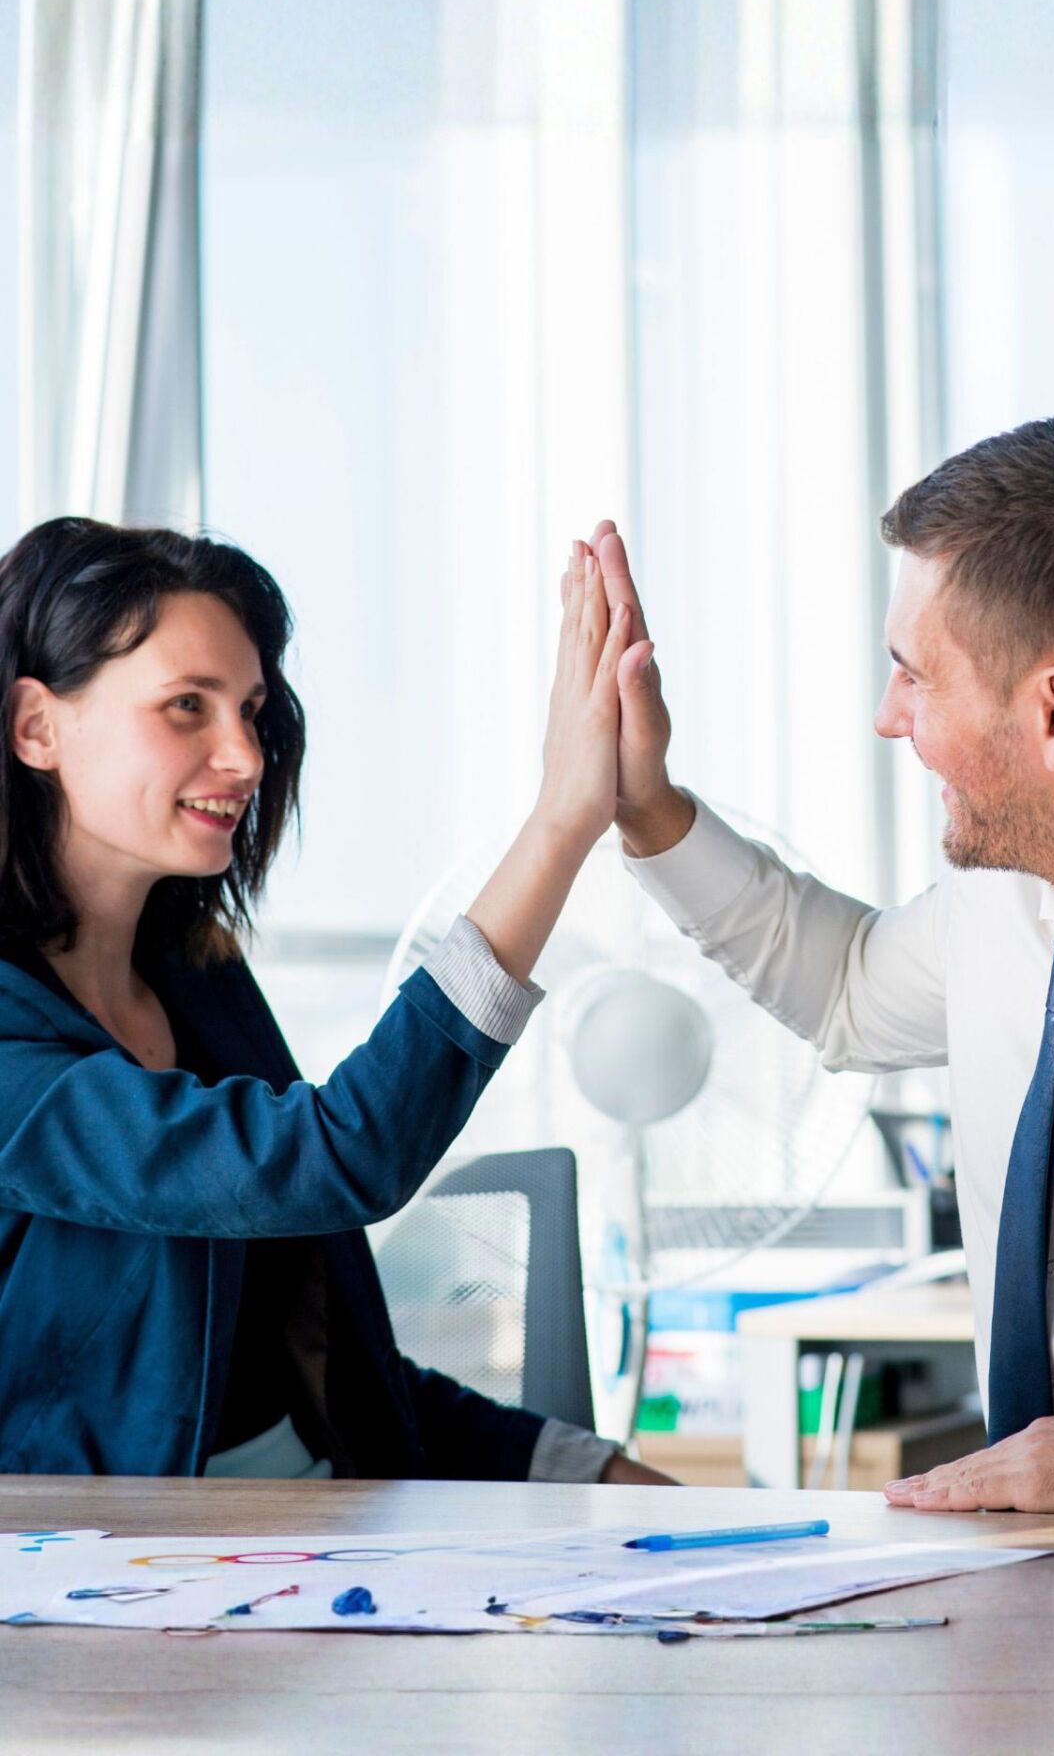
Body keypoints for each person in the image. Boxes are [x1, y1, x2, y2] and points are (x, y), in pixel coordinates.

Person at [586, 415, 1054, 1514]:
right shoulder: (1006, 903)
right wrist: (650, 808)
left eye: (915, 677)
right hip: (1040, 1577)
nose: (887, 719)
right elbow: (850, 993)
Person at [0, 516, 669, 1485]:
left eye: (251, 708)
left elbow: (328, 1365)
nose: (245, 755)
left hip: (307, 1532)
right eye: (187, 706)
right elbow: (334, 1158)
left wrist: (583, 1469)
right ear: (36, 727)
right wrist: (562, 820)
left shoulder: (200, 978)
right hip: (112, 1587)